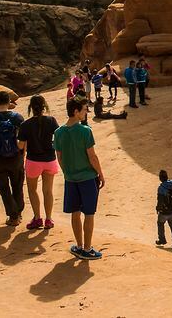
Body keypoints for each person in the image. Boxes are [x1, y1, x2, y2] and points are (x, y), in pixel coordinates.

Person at [54, 97, 106, 260]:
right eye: (84, 110)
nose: (86, 112)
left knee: (75, 212)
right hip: (88, 178)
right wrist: (101, 174)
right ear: (76, 112)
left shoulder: (58, 132)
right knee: (89, 213)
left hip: (71, 179)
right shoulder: (85, 131)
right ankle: (87, 249)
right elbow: (92, 156)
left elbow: (59, 157)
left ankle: (78, 246)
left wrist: (67, 172)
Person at [0, 90, 26, 226]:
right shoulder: (17, 118)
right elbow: (23, 140)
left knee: (4, 188)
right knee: (17, 186)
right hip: (15, 157)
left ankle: (12, 215)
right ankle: (18, 213)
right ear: (9, 102)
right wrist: (22, 154)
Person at [18, 94, 60, 230]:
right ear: (44, 106)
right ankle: (48, 219)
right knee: (48, 191)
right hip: (49, 160)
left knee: (32, 190)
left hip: (33, 161)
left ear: (31, 107)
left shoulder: (25, 124)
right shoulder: (51, 120)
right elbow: (59, 138)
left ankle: (37, 218)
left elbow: (20, 146)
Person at [156, 169, 172, 248]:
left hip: (164, 211)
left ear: (160, 178)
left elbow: (160, 200)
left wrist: (158, 208)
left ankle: (162, 240)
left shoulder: (161, 188)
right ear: (167, 177)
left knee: (160, 223)